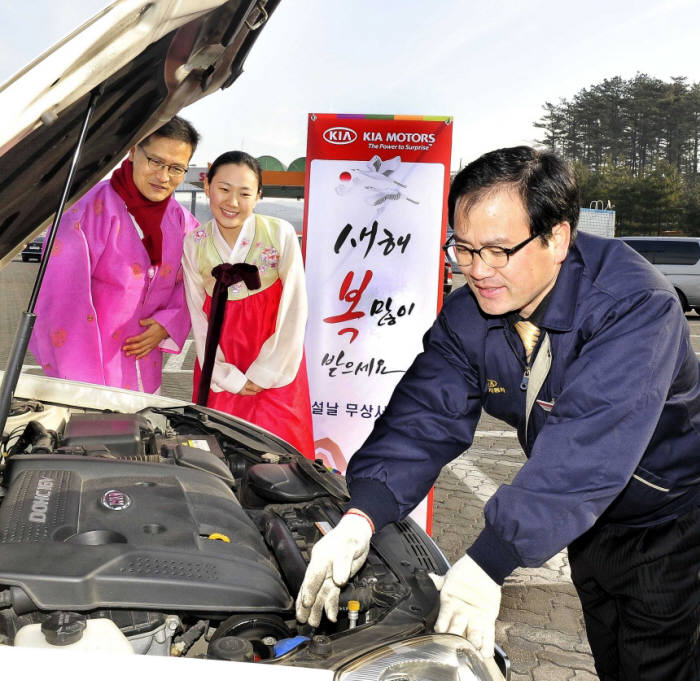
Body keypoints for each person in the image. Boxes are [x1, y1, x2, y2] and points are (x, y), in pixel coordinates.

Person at [296, 146, 700, 680]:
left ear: (556, 237)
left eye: (496, 250)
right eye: (462, 250)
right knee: (611, 656)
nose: (477, 271)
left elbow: (587, 445)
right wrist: (361, 515)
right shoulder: (472, 313)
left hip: (666, 521)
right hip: (584, 521)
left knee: (659, 666)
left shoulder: (632, 306)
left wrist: (490, 559)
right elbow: (424, 414)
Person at [30, 116, 200, 394]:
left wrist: (167, 323)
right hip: (91, 376)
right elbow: (59, 301)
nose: (164, 176)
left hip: (147, 372)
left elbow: (196, 279)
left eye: (176, 168)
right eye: (155, 162)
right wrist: (84, 386)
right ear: (133, 151)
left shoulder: (182, 222)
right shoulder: (83, 211)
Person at [182, 151, 314, 458]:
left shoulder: (279, 233)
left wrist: (267, 371)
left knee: (280, 452)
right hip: (220, 358)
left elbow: (294, 305)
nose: (232, 202)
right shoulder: (194, 242)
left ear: (258, 196)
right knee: (219, 451)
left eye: (244, 193)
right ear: (207, 187)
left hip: (276, 357)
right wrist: (226, 376)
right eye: (224, 189)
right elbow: (198, 316)